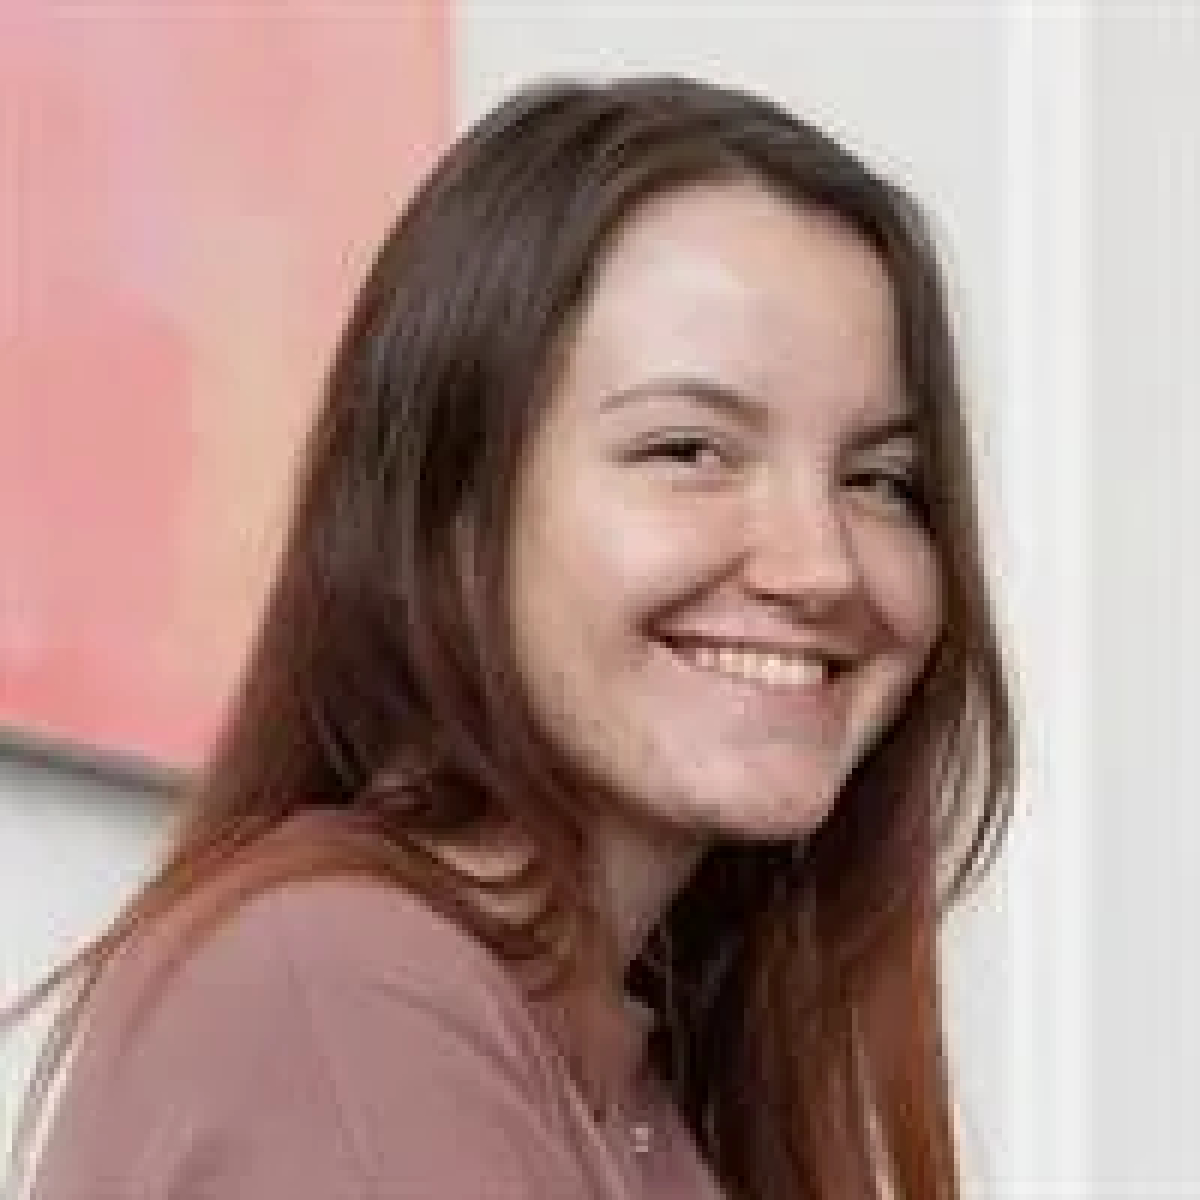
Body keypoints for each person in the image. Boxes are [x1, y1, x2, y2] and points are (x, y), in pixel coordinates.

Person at [8, 76, 1014, 1199]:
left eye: (880, 480)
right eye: (690, 451)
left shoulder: (637, 1087)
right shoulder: (342, 992)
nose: (822, 565)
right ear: (452, 511)